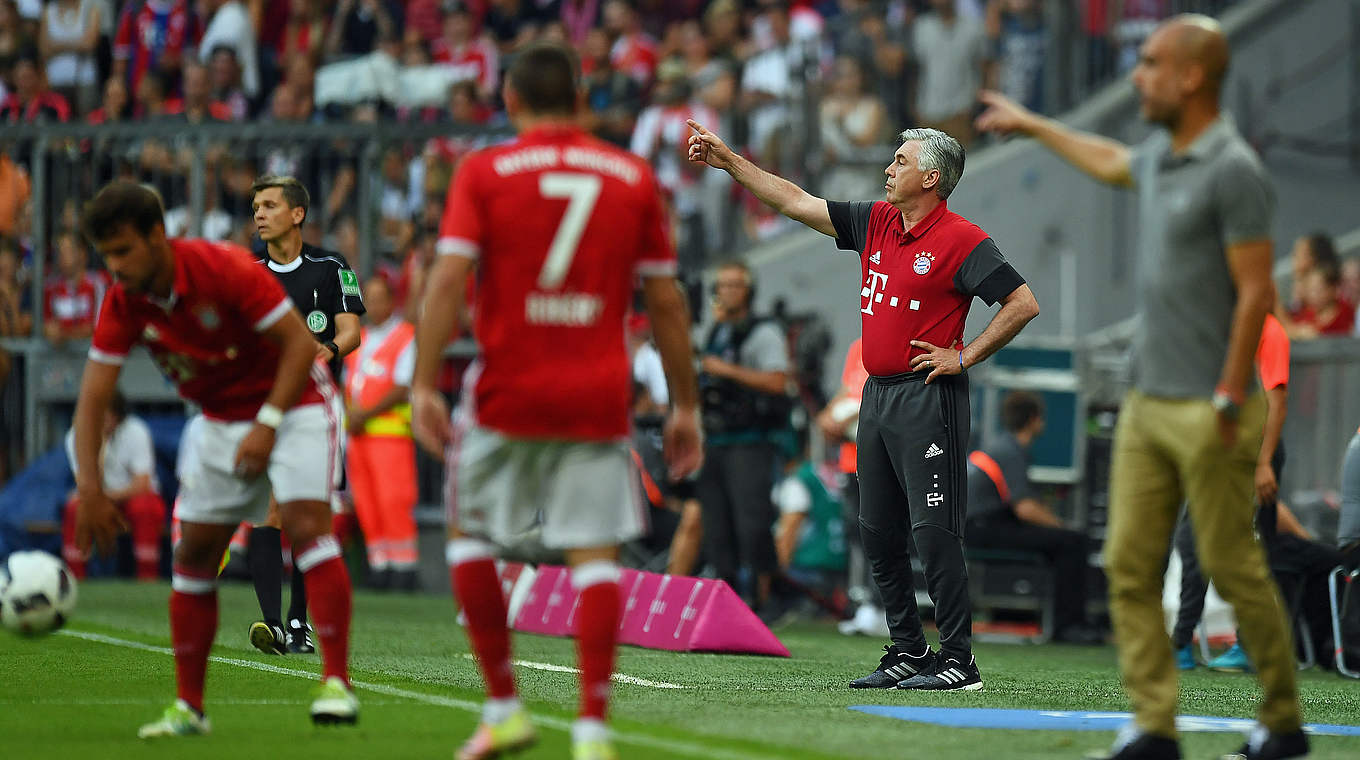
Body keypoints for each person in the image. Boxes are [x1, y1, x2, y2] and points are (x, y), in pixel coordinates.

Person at [977, 14, 1305, 760]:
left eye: (1152, 63)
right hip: (1146, 403)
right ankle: (1155, 727)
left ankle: (1283, 722)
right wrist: (1033, 124)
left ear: (1191, 76)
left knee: (1228, 564)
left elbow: (1257, 295)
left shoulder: (1234, 169)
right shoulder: (1161, 157)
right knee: (1128, 560)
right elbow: (1110, 158)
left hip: (1211, 406)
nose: (1137, 75)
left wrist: (1229, 395)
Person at [412, 43, 702, 760]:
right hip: (596, 393)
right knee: (596, 556)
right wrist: (685, 404)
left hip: (507, 386)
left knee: (470, 536)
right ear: (582, 101)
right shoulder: (632, 176)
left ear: (509, 100)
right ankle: (594, 730)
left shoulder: (482, 171)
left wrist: (421, 383)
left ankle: (505, 708)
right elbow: (665, 299)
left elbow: (448, 282)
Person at [688, 113, 1039, 692]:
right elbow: (797, 202)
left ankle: (958, 660)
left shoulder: (963, 239)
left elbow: (1021, 302)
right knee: (876, 531)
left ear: (931, 178)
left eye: (900, 162)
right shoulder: (878, 221)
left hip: (930, 397)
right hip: (877, 397)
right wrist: (730, 163)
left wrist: (965, 355)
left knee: (934, 532)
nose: (887, 168)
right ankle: (907, 649)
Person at [71, 181, 357, 737]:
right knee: (195, 552)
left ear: (158, 236)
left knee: (304, 525)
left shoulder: (222, 268)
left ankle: (337, 684)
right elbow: (92, 398)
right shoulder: (123, 300)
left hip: (295, 401)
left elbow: (301, 346)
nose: (116, 266)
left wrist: (268, 426)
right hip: (221, 420)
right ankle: (190, 709)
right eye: (106, 255)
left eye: (124, 250)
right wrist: (89, 489)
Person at [246, 174, 364, 656]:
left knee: (306, 515)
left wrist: (326, 349)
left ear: (297, 214)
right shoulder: (249, 274)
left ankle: (300, 623)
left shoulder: (331, 266)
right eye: (256, 206)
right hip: (266, 403)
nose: (259, 214)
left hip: (315, 407)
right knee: (268, 511)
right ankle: (273, 624)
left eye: (270, 205)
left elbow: (352, 331)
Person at [1170, 312, 1289, 671]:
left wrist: (1264, 462)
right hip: (1224, 453)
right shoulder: (1224, 329)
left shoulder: (1269, 331)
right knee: (1194, 542)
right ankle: (1184, 644)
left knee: (1252, 548)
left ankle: (1252, 644)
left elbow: (1276, 400)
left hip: (1254, 454)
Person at [965, 390, 1104, 644]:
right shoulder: (1012, 451)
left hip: (977, 525)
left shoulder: (1001, 445)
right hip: (983, 527)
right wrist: (1062, 527)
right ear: (1033, 419)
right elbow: (1026, 509)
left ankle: (1067, 623)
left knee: (1065, 541)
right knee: (1073, 542)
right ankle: (1069, 627)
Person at [696, 260, 790, 613]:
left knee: (752, 522)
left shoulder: (763, 332)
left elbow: (778, 382)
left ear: (748, 291)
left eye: (735, 285)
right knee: (716, 524)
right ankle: (726, 601)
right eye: (722, 285)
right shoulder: (716, 331)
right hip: (716, 440)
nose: (727, 292)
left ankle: (766, 598)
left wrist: (726, 370)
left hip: (751, 440)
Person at [344, 274, 419, 591]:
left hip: (389, 435)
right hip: (358, 437)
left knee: (393, 501)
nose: (373, 304)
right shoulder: (358, 338)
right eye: (368, 298)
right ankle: (380, 567)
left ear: (391, 301)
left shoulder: (405, 336)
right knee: (367, 504)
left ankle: (403, 571)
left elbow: (403, 388)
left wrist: (365, 414)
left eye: (379, 298)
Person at [62, 389, 166, 580]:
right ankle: (75, 578)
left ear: (118, 415)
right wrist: (98, 445)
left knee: (146, 506)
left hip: (130, 498)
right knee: (73, 508)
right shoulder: (76, 436)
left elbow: (142, 484)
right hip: (98, 497)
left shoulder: (136, 431)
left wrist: (101, 496)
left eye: (105, 414)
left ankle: (147, 577)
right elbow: (84, 482)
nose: (99, 419)